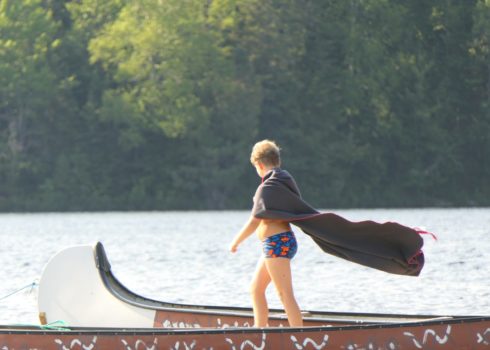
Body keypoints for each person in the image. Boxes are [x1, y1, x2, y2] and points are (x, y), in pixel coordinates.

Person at [229, 140, 303, 328]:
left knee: (284, 294)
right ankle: (260, 331)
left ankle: (300, 337)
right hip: (278, 243)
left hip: (277, 243)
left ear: (259, 165)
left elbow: (255, 220)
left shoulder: (267, 187)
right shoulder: (284, 180)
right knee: (256, 289)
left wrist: (236, 242)